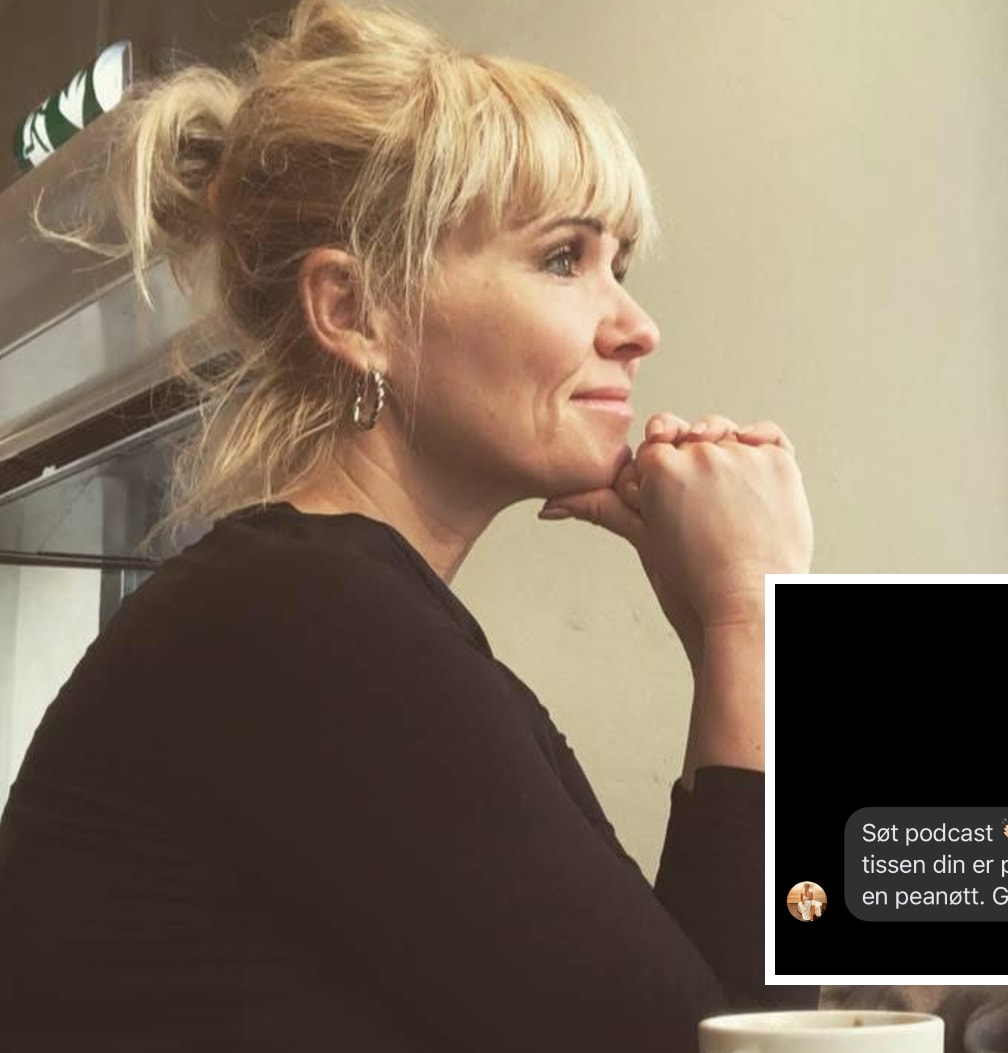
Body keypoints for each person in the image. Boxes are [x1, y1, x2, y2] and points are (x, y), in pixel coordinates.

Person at [0, 2, 815, 1050]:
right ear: (354, 311)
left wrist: (727, 631)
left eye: (620, 265)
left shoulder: (322, 614)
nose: (637, 325)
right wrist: (752, 616)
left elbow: (693, 1008)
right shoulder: (306, 625)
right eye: (563, 258)